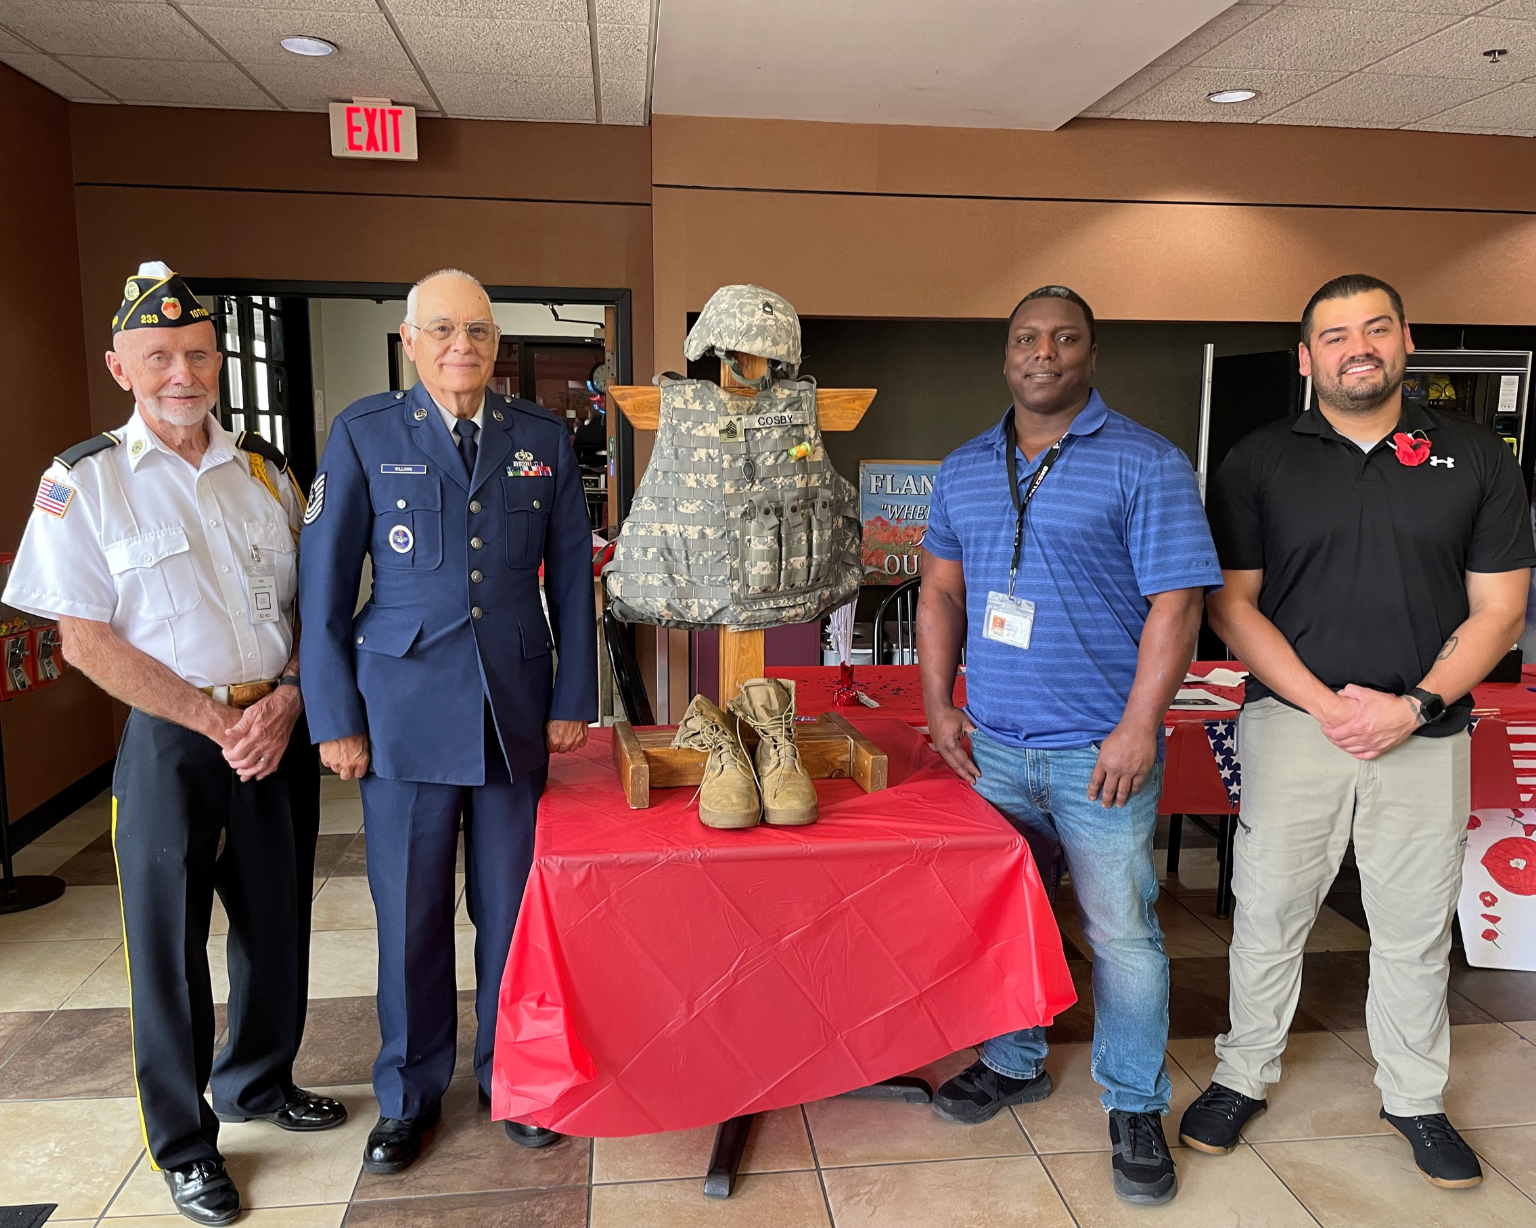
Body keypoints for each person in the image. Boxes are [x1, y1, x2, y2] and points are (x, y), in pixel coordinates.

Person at [2, 263, 342, 1227]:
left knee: (276, 928)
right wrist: (212, 722)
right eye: (159, 357)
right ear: (122, 365)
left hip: (272, 727)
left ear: (218, 363)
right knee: (168, 947)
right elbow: (83, 637)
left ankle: (259, 1083)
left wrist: (286, 698)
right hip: (171, 741)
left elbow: (315, 607)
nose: (182, 372)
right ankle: (185, 1143)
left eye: (197, 353)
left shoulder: (269, 472)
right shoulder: (85, 481)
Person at [1183, 274, 1533, 1189]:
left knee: (1415, 929)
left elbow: (1500, 611)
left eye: (1375, 329)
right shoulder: (1256, 460)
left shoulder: (1478, 456)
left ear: (1405, 341)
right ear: (1307, 359)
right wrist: (1326, 704)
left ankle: (1415, 1097)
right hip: (1294, 729)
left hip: (1427, 734)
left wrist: (1412, 705)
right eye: (1335, 335)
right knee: (1269, 915)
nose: (1357, 347)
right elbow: (1232, 605)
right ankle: (1240, 1072)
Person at [917, 285, 1222, 1206]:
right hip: (993, 749)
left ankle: (1134, 1106)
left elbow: (1180, 603)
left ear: (1090, 353)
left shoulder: (1147, 463)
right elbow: (940, 591)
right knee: (1006, 917)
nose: (1042, 352)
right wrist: (940, 704)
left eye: (1063, 338)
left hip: (1100, 751)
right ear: (1005, 355)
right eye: (1025, 338)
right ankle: (1014, 1060)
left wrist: (1138, 726)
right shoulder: (966, 466)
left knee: (1122, 932)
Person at [299, 268, 597, 1173]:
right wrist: (333, 716)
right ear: (409, 337)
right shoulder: (364, 433)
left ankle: (514, 1079)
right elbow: (322, 591)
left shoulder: (542, 437)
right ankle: (408, 1094)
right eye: (441, 329)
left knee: (510, 915)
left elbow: (574, 583)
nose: (459, 345)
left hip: (512, 711)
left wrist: (573, 699)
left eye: (475, 329)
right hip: (400, 716)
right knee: (410, 918)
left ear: (495, 341)